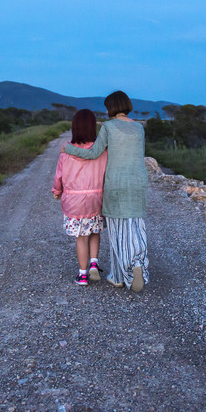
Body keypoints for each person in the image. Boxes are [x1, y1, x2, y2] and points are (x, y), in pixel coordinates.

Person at [62, 90, 149, 291]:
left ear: (111, 107)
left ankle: (119, 276)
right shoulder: (139, 128)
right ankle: (138, 264)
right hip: (138, 183)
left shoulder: (109, 127)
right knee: (136, 226)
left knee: (118, 231)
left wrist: (69, 149)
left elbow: (93, 153)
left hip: (116, 184)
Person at [52, 109, 108, 286]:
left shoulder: (66, 150)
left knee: (81, 236)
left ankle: (83, 275)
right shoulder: (102, 151)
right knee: (94, 231)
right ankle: (94, 263)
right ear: (93, 127)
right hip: (96, 199)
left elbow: (59, 176)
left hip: (74, 202)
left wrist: (56, 191)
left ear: (74, 127)